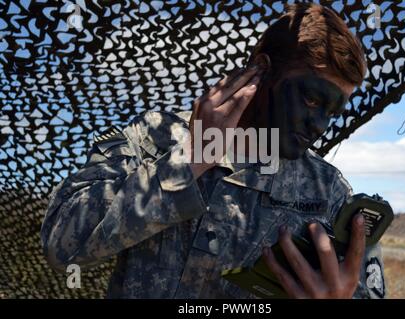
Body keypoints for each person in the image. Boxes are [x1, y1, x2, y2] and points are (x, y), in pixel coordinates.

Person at [41, 3, 386, 299]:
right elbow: (61, 244)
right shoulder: (155, 137)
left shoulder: (331, 197)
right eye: (311, 99)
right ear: (261, 71)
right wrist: (190, 160)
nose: (320, 126)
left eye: (332, 112)